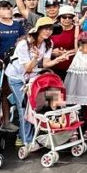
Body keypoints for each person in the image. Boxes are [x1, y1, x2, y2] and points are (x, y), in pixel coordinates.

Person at [5, 18, 61, 147]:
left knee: (35, 105)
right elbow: (28, 68)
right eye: (45, 28)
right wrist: (35, 57)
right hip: (17, 78)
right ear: (38, 29)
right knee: (23, 107)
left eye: (50, 29)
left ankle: (24, 135)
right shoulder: (24, 44)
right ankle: (28, 141)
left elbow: (46, 63)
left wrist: (58, 59)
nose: (48, 31)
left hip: (33, 77)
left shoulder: (48, 43)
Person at [64, 34, 87, 107]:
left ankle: (86, 110)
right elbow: (75, 37)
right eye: (83, 43)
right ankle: (75, 110)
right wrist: (77, 25)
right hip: (77, 79)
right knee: (75, 94)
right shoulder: (78, 52)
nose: (85, 45)